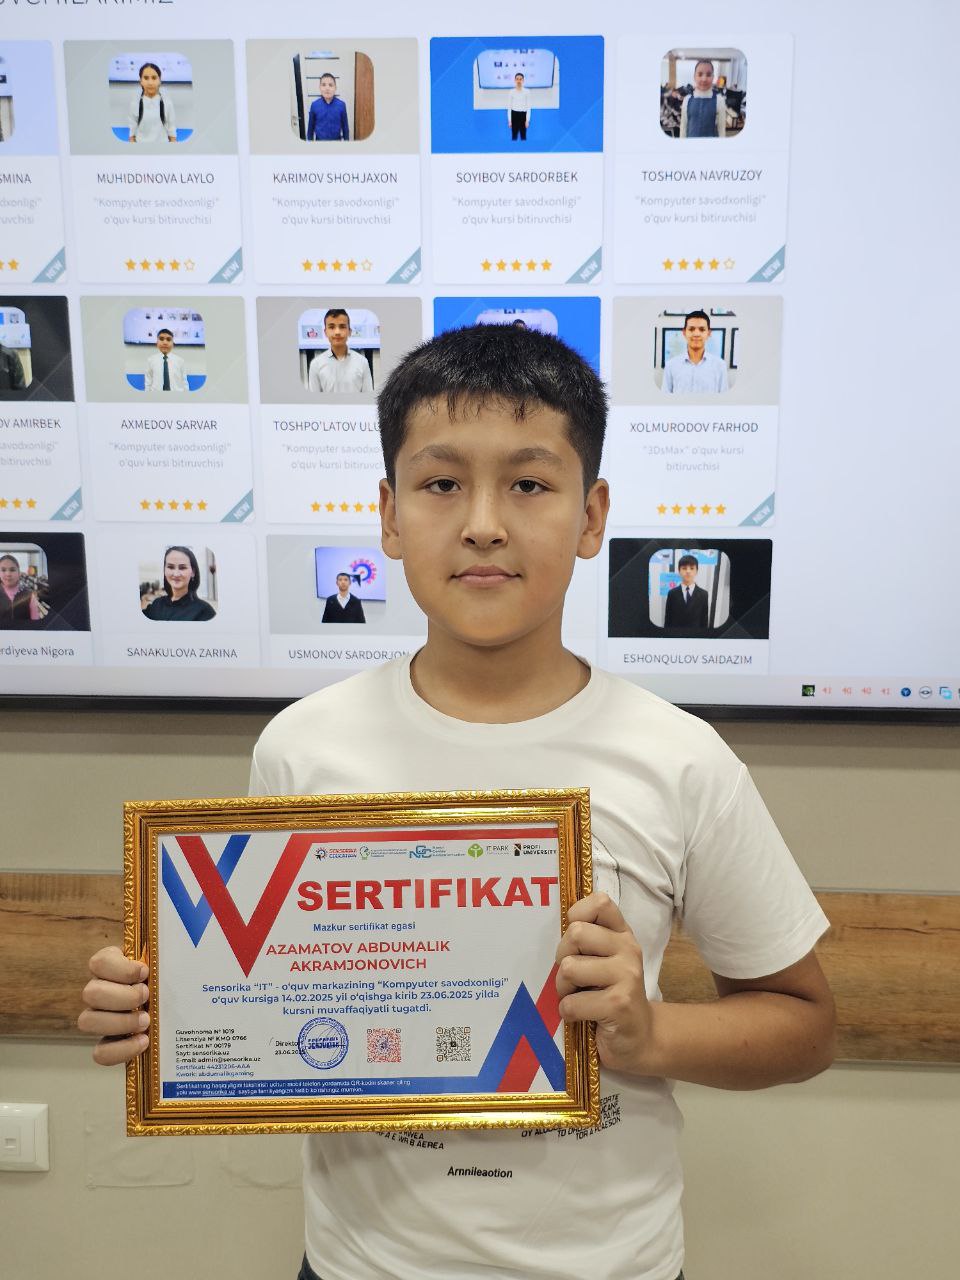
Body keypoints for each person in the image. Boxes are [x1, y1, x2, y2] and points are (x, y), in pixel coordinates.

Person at [81, 325, 835, 1280]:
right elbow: (263, 984)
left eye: (530, 484)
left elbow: (805, 1025)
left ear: (592, 516)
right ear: (389, 516)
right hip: (361, 1265)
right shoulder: (303, 747)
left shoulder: (681, 759)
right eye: (441, 484)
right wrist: (169, 1009)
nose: (483, 523)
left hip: (610, 1265)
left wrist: (650, 1032)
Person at [307, 309, 374, 394]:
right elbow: (314, 400)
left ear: (349, 331)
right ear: (325, 332)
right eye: (332, 327)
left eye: (342, 327)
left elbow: (368, 397)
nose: (337, 332)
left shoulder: (362, 362)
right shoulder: (316, 364)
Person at [662, 310, 729, 394]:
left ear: (708, 333)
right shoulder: (671, 365)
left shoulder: (720, 366)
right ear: (684, 332)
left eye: (702, 329)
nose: (696, 334)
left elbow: (724, 399)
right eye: (691, 329)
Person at [141, 545, 215, 621]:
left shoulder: (204, 611)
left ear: (193, 572)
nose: (176, 574)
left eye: (182, 568)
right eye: (170, 567)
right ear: (164, 570)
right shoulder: (157, 604)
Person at [127, 62, 177, 145]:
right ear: (141, 81)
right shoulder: (135, 104)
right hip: (140, 146)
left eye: (154, 78)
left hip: (162, 146)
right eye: (146, 78)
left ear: (159, 81)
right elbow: (132, 131)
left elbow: (172, 129)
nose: (150, 83)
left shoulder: (167, 103)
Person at [679, 59, 726, 139]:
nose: (704, 79)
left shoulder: (719, 100)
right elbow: (683, 127)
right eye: (700, 74)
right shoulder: (687, 99)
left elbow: (721, 131)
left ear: (713, 77)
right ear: (694, 77)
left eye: (708, 75)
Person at [663, 554, 710, 631]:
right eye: (684, 568)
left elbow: (704, 620)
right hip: (676, 634)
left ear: (696, 571)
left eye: (692, 568)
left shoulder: (704, 594)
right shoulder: (672, 593)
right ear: (679, 571)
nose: (688, 571)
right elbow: (668, 618)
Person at [306, 72, 349, 141]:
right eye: (323, 85)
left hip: (337, 142)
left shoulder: (341, 105)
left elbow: (345, 128)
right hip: (319, 143)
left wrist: (346, 142)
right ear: (320, 88)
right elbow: (310, 129)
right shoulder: (314, 105)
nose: (327, 88)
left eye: (330, 85)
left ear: (335, 88)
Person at [0, 553, 41, 626]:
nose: (8, 574)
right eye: (3, 570)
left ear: (19, 573)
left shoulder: (29, 596)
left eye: (12, 570)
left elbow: (36, 624)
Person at [507, 70, 531, 141]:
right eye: (517, 79)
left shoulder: (527, 91)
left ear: (523, 80)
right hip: (514, 115)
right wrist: (509, 120)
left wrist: (527, 120)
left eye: (520, 79)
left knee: (523, 136)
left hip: (523, 115)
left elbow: (528, 107)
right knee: (514, 136)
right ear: (515, 80)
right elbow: (509, 107)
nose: (519, 81)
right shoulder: (511, 92)